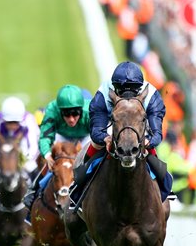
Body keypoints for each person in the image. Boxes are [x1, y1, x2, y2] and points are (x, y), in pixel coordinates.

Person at [71, 61, 172, 208]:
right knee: (96, 144)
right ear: (114, 87)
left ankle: (164, 186)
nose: (127, 96)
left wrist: (149, 141)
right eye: (122, 91)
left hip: (139, 126)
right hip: (114, 124)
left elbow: (156, 132)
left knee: (150, 150)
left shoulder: (152, 96)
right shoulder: (103, 93)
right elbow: (96, 130)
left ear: (140, 88)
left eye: (132, 91)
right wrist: (105, 138)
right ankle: (80, 185)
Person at [22, 84, 91, 211]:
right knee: (53, 162)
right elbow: (44, 137)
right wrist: (47, 155)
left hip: (87, 136)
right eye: (66, 114)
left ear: (81, 109)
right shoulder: (52, 110)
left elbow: (101, 134)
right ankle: (34, 190)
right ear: (59, 111)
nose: (71, 119)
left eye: (75, 113)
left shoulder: (91, 111)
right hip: (62, 136)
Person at [0, 96, 40, 199]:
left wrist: (26, 160)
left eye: (16, 123)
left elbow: (33, 144)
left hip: (23, 152)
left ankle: (38, 198)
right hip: (1, 154)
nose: (13, 126)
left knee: (33, 170)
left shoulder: (29, 120)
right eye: (9, 122)